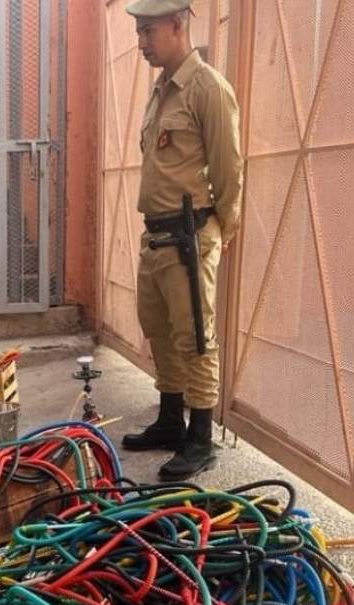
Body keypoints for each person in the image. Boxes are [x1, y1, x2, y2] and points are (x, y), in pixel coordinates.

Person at [121, 0, 243, 480]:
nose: (141, 43)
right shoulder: (162, 90)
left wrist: (221, 231)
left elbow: (229, 170)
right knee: (158, 329)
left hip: (189, 237)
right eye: (139, 32)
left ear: (177, 25)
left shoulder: (208, 89)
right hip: (156, 235)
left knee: (195, 337)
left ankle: (200, 439)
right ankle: (171, 420)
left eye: (148, 31)